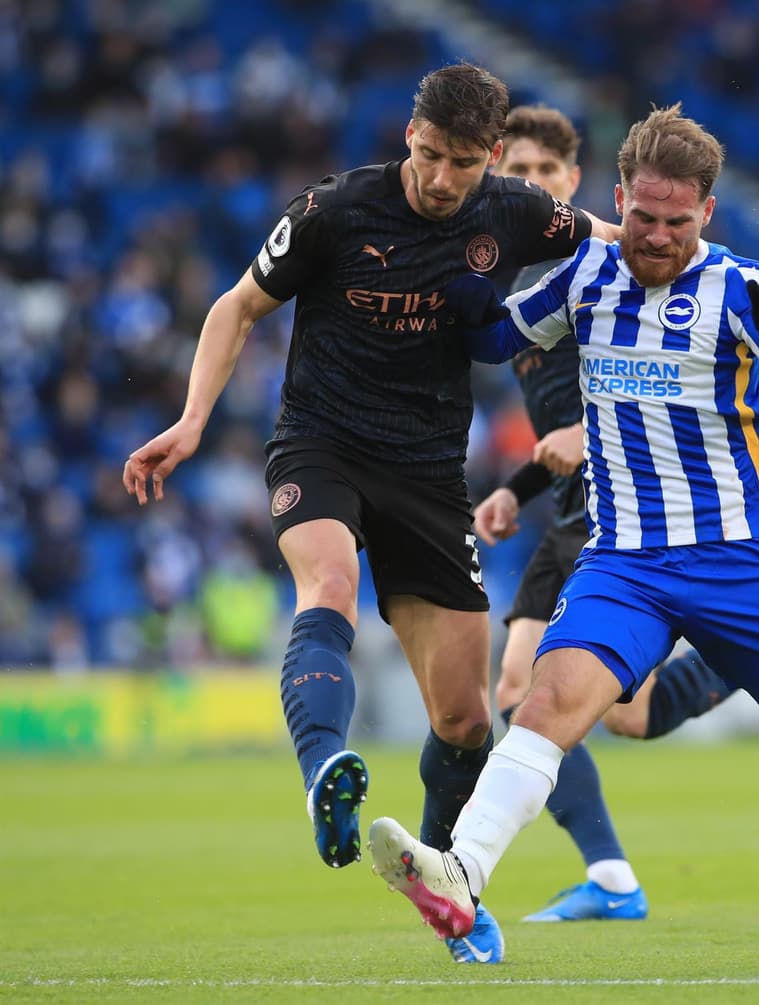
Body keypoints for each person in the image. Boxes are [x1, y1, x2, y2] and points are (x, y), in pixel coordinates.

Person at [366, 104, 759, 952]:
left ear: (707, 211)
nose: (658, 237)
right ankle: (463, 871)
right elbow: (497, 339)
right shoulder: (587, 273)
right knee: (544, 703)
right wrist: (462, 295)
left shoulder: (740, 288)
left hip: (739, 562)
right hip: (624, 562)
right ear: (618, 199)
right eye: (643, 217)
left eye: (678, 223)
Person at [121, 63, 622, 965]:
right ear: (409, 136)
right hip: (322, 444)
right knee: (329, 582)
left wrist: (727, 287)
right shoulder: (334, 211)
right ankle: (325, 769)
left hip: (428, 472)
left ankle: (440, 884)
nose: (441, 178)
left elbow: (630, 244)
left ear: (492, 155)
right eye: (430, 154)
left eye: (463, 162)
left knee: (466, 720)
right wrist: (192, 420)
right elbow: (237, 306)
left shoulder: (515, 211)